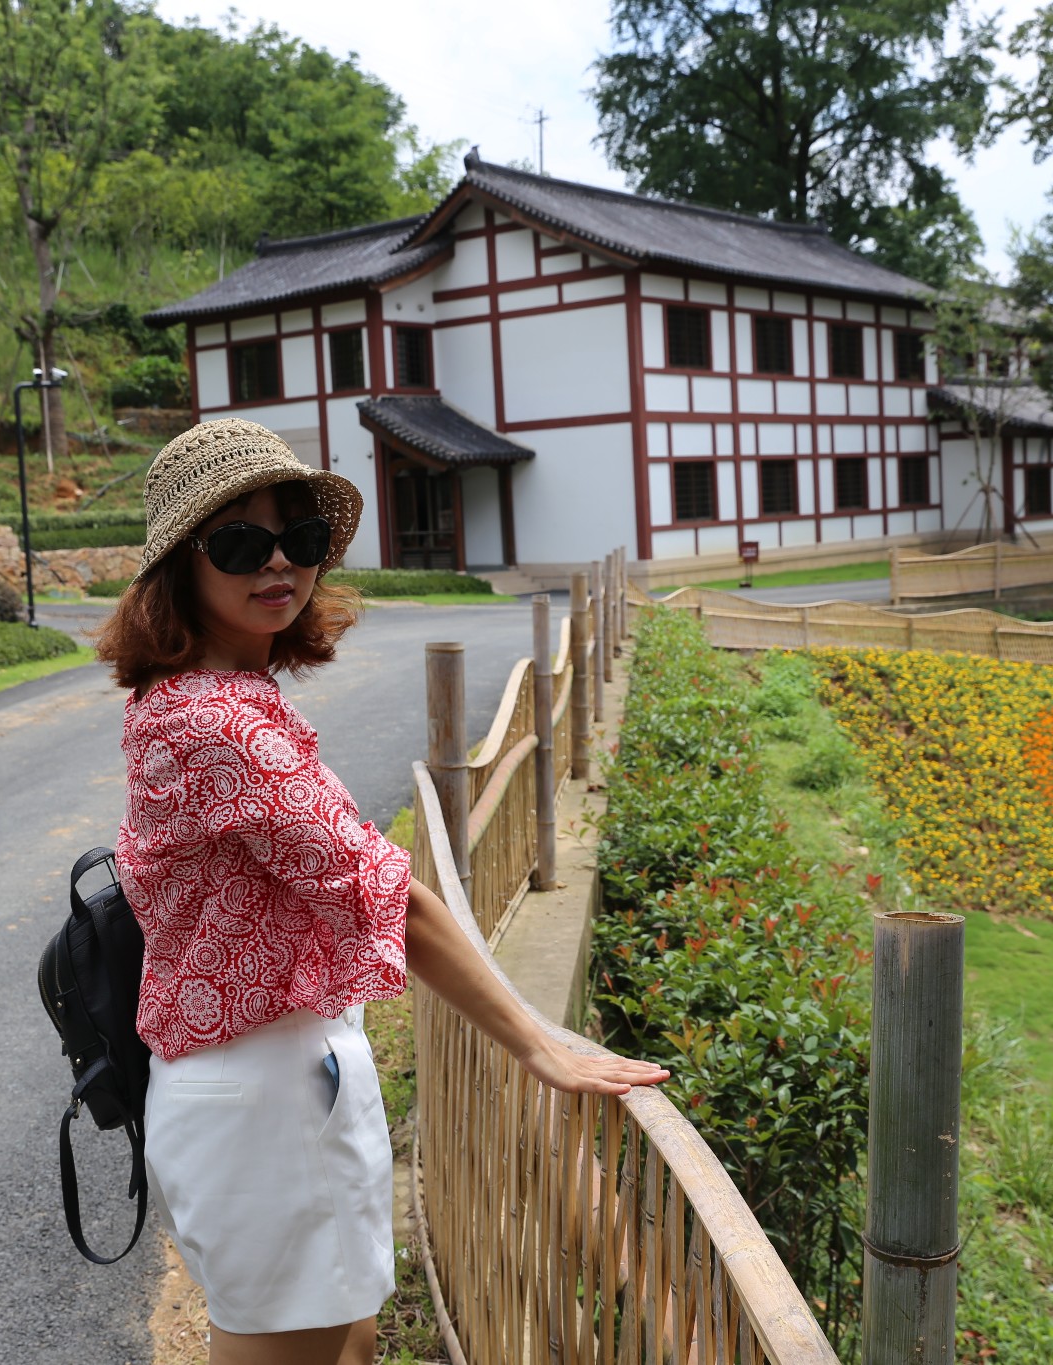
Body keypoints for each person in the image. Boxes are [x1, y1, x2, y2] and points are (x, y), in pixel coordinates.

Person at [94, 420, 668, 1365]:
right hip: (262, 1101)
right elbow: (386, 900)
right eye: (239, 541)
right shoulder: (215, 724)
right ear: (178, 570)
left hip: (291, 1078)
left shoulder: (224, 697)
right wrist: (538, 1041)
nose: (279, 562)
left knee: (350, 1343)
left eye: (300, 538)